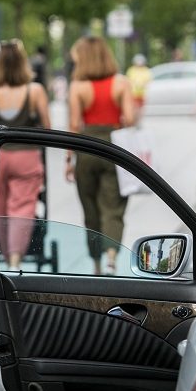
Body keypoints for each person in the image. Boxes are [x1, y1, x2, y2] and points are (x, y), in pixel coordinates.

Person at [0, 39, 51, 270]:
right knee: (22, 208)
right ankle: (15, 260)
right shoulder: (34, 91)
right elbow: (47, 127)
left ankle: (3, 256)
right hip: (26, 155)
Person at [67, 36, 135, 275]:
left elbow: (74, 124)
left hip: (86, 148)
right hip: (114, 147)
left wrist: (69, 159)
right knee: (113, 207)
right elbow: (131, 118)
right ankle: (111, 259)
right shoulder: (121, 83)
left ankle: (95, 263)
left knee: (91, 209)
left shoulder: (77, 87)